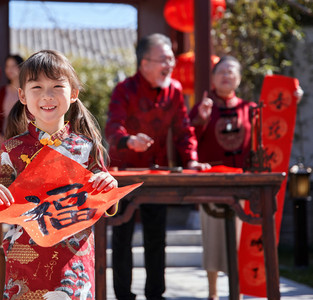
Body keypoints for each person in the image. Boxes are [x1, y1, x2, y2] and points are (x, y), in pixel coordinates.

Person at [0, 50, 118, 299]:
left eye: (57, 86)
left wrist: (109, 186)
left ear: (73, 93)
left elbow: (106, 201)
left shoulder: (87, 148)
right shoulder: (12, 149)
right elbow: (0, 196)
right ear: (21, 95)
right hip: (25, 258)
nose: (47, 95)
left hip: (74, 260)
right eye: (37, 87)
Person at [105, 33, 210, 300]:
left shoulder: (174, 90)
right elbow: (112, 130)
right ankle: (122, 295)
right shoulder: (124, 90)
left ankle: (155, 293)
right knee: (122, 235)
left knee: (156, 234)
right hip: (124, 174)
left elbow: (184, 130)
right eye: (165, 59)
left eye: (172, 59)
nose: (171, 64)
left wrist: (192, 159)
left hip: (157, 174)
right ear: (144, 63)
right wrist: (129, 141)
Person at [189, 56, 303, 300]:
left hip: (243, 185)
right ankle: (212, 293)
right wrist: (199, 119)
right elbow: (187, 140)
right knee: (213, 236)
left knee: (241, 239)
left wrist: (293, 100)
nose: (226, 76)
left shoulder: (250, 109)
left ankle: (237, 293)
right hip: (211, 183)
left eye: (231, 72)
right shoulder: (202, 108)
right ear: (213, 78)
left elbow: (272, 129)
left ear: (239, 79)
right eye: (221, 72)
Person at [0, 54, 24, 149]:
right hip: (6, 137)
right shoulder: (3, 91)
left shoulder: (29, 90)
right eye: (7, 66)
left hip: (26, 137)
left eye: (13, 66)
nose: (9, 69)